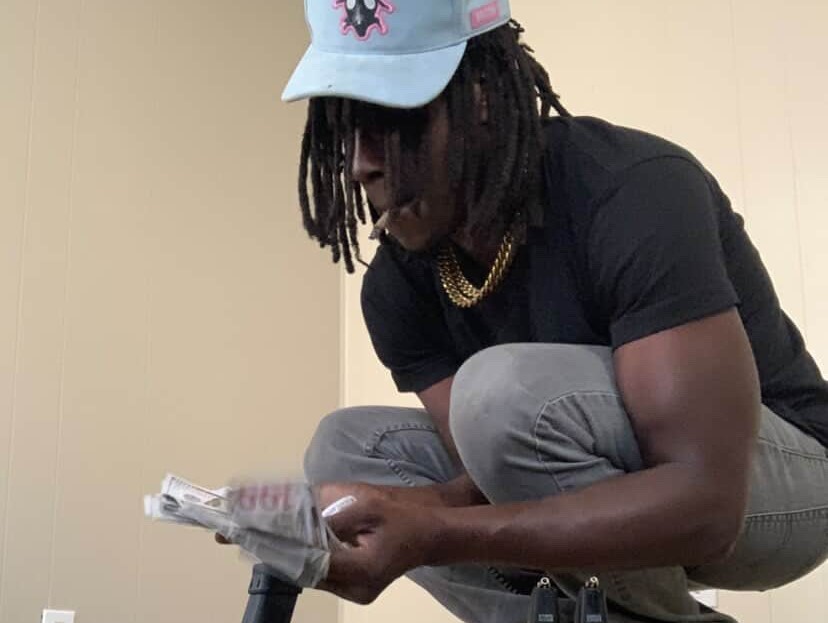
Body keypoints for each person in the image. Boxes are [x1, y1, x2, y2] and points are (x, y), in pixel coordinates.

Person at [281, 1, 828, 621]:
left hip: (776, 485)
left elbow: (708, 506)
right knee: (346, 449)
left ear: (480, 95)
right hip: (630, 480)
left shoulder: (633, 188)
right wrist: (407, 512)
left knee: (501, 394)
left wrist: (434, 534)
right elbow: (490, 479)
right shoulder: (398, 285)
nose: (361, 163)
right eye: (345, 127)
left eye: (388, 118)